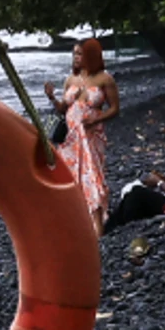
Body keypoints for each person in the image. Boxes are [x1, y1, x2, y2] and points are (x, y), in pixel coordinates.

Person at [44, 38, 120, 235]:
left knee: (92, 176)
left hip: (91, 136)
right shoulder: (71, 80)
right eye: (74, 54)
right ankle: (76, 220)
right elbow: (63, 108)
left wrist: (95, 120)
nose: (76, 58)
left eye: (80, 54)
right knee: (70, 176)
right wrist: (52, 98)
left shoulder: (105, 79)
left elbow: (114, 109)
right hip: (71, 137)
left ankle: (97, 224)